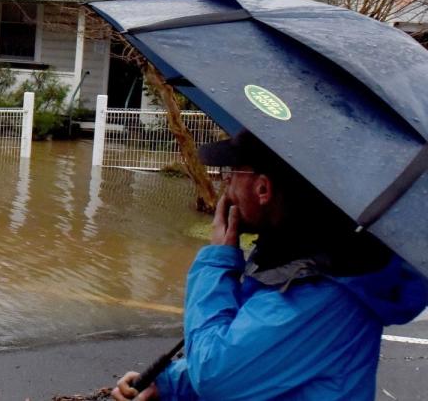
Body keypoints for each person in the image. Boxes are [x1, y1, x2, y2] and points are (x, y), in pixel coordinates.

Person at [111, 130, 428, 400]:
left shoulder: (323, 289)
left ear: (263, 188)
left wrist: (217, 260)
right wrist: (166, 383)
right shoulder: (295, 252)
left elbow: (215, 373)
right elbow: (257, 356)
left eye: (231, 174)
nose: (227, 187)